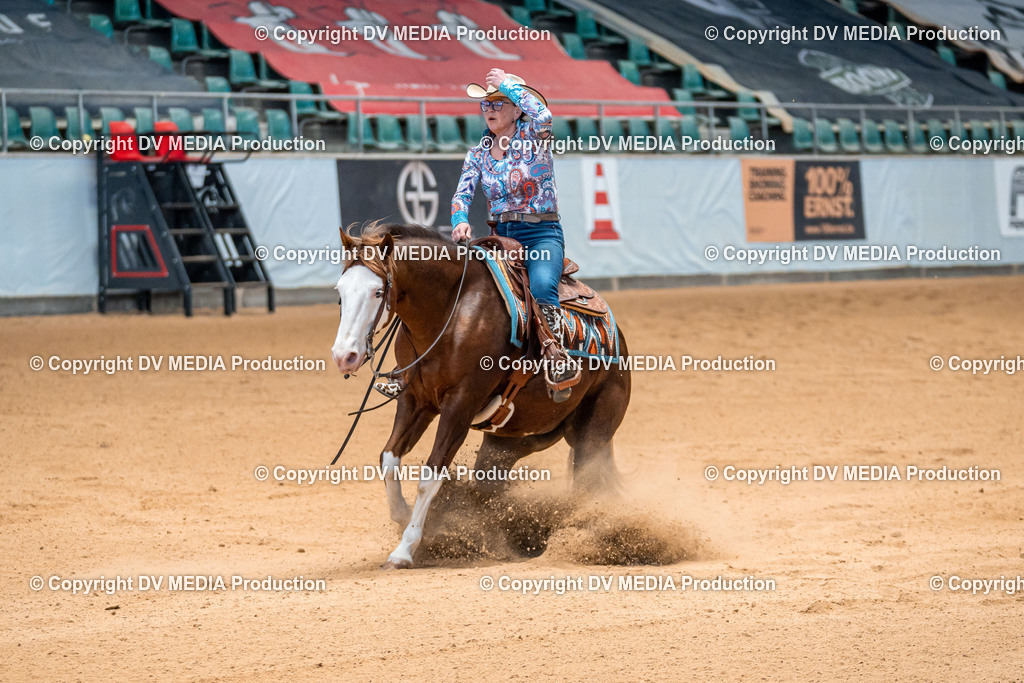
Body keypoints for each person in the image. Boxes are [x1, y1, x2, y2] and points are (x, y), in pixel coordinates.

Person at [374, 68, 579, 402]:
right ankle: (412, 368)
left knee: (542, 286)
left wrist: (508, 84)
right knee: (454, 289)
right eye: (486, 104)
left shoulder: (536, 136)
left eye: (499, 103)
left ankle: (555, 355)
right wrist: (459, 220)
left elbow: (544, 112)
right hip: (499, 236)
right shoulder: (478, 153)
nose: (490, 109)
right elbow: (461, 196)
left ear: (516, 109)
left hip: (541, 233)